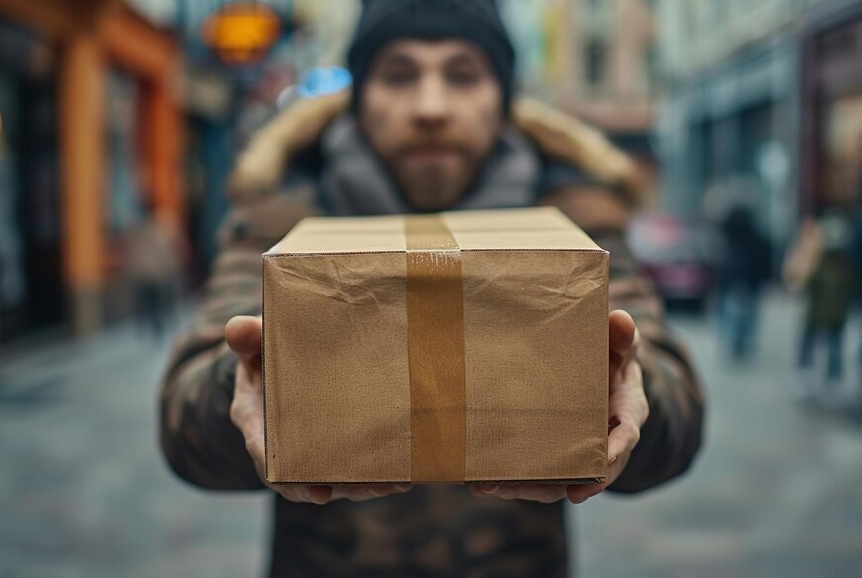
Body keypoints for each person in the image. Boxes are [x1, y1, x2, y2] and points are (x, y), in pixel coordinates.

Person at [160, 1, 705, 575]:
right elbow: (183, 421)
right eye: (398, 75)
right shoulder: (283, 216)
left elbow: (676, 407)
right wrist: (246, 382)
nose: (430, 107)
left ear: (503, 99)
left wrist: (632, 393)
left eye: (463, 75)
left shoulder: (575, 218)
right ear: (359, 96)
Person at [717, 203, 771, 360]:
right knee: (746, 316)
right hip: (748, 282)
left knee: (734, 315)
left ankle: (736, 344)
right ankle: (741, 344)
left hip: (734, 281)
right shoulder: (754, 237)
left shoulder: (729, 236)